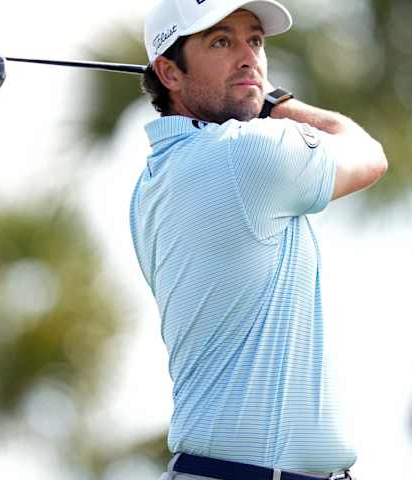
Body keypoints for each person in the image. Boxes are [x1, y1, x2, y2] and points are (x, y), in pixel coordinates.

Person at [130, 0, 387, 478]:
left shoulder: (150, 185)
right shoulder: (243, 157)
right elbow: (369, 155)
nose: (249, 58)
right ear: (169, 72)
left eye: (255, 40)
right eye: (221, 42)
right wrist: (279, 102)